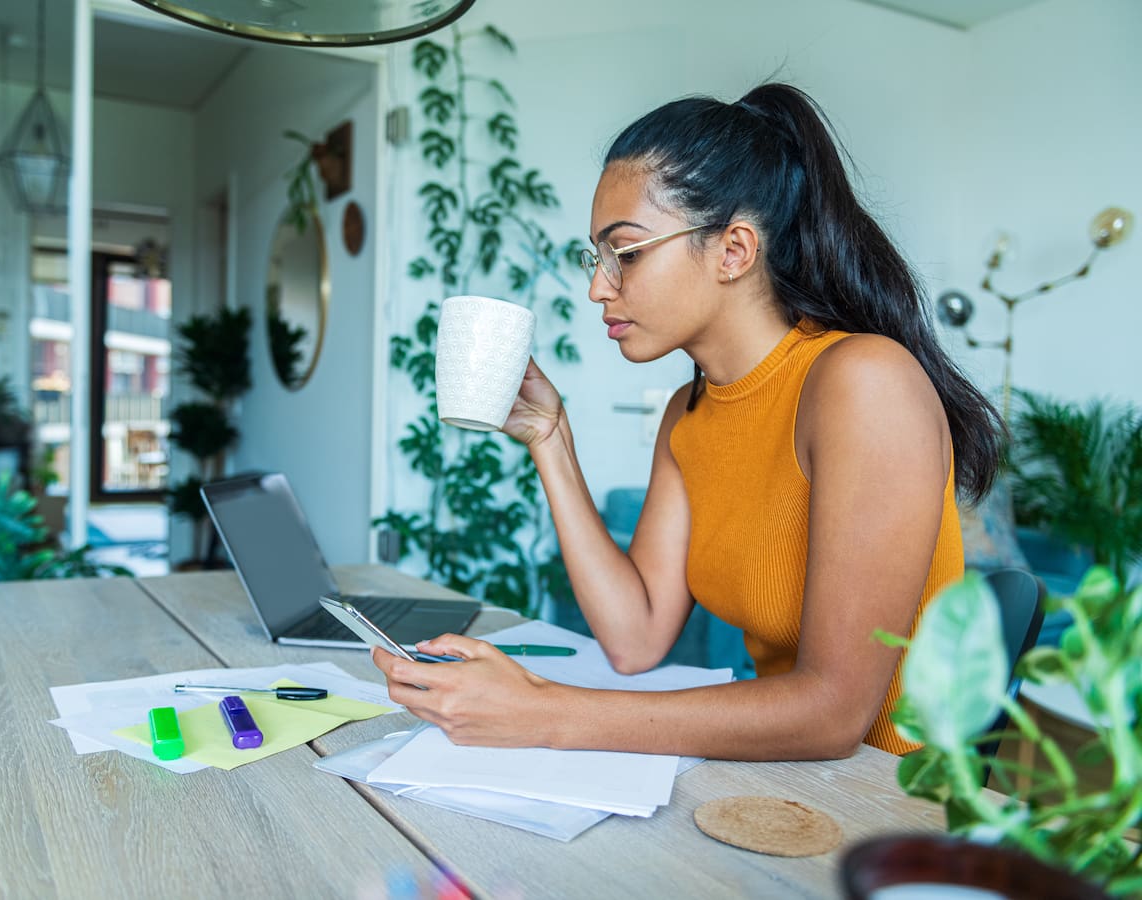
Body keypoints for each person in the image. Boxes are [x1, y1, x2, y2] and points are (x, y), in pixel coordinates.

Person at [372, 82, 1003, 760]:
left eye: (628, 252)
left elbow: (833, 712)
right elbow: (635, 638)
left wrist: (544, 712)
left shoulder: (863, 382)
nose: (597, 287)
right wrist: (550, 440)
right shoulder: (690, 412)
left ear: (734, 250)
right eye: (597, 257)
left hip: (896, 809)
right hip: (786, 788)